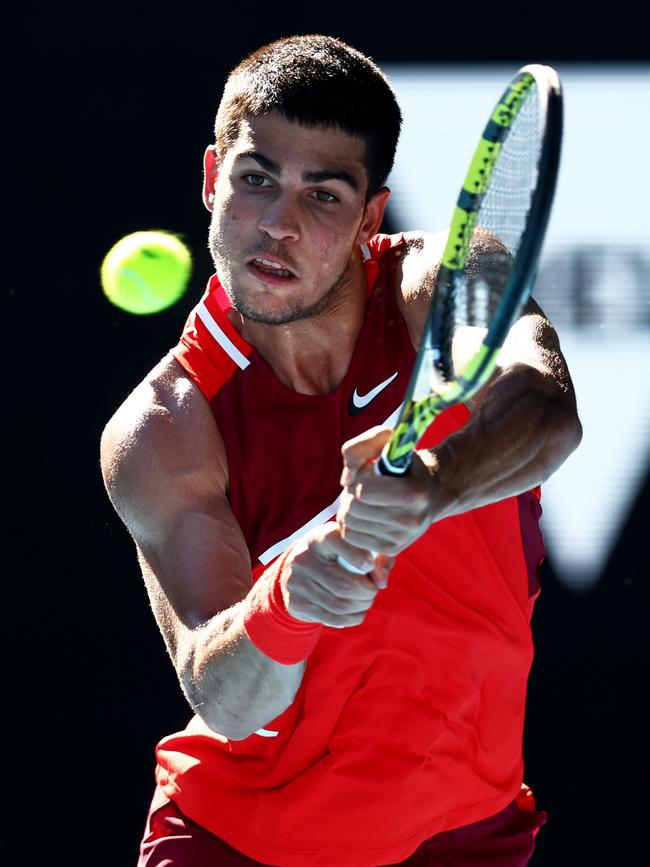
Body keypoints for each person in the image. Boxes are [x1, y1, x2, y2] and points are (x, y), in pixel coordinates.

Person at [100, 34, 582, 867]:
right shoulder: (165, 427)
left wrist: (435, 482)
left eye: (321, 196)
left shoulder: (440, 286)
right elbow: (225, 695)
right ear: (213, 179)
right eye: (256, 181)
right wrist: (291, 601)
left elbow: (546, 411)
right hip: (239, 840)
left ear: (369, 217)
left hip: (464, 830)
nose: (277, 226)